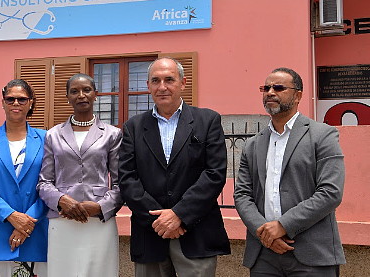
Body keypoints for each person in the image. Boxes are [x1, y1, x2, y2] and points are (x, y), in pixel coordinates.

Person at [119, 57, 230, 277]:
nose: (162, 87)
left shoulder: (207, 121)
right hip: (150, 235)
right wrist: (161, 221)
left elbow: (214, 174)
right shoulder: (133, 127)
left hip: (196, 234)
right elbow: (127, 179)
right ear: (148, 86)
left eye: (169, 80)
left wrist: (179, 214)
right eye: (155, 80)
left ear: (183, 83)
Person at [234, 67, 345, 276]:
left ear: (298, 95)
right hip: (263, 255)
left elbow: (330, 192)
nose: (270, 92)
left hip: (312, 254)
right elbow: (242, 195)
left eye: (278, 87)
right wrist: (265, 233)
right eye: (265, 88)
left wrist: (283, 225)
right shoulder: (252, 145)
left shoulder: (323, 135)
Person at [37, 73, 123, 277]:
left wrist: (100, 207)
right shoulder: (53, 134)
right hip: (62, 219)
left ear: (96, 95)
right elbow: (44, 182)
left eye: (86, 90)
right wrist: (62, 201)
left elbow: (121, 183)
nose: (81, 95)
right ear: (67, 97)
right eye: (74, 91)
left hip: (99, 221)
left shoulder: (112, 134)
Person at [0, 79, 48, 277]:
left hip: (33, 233)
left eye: (22, 99)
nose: (16, 103)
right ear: (2, 102)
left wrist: (25, 224)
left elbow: (51, 185)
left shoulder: (46, 138)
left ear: (31, 102)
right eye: (10, 99)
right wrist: (11, 216)